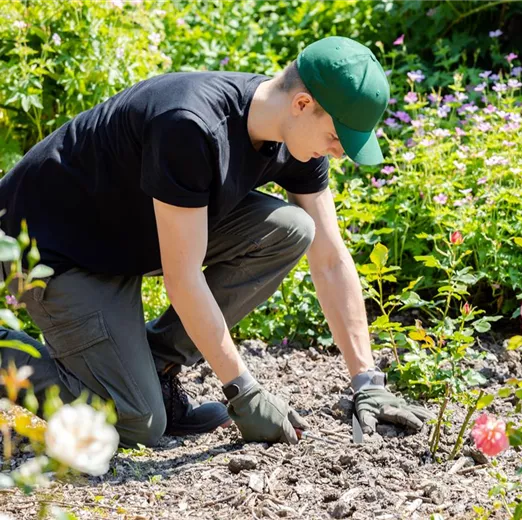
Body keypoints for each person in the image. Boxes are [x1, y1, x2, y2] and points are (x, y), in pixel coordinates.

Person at [0, 36, 433, 447]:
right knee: (137, 421)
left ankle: (154, 364)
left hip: (120, 239)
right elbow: (183, 276)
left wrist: (367, 381)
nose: (339, 153)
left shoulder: (296, 140)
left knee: (293, 228)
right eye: (337, 138)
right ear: (303, 104)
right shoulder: (190, 126)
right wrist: (243, 389)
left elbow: (331, 258)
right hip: (47, 247)